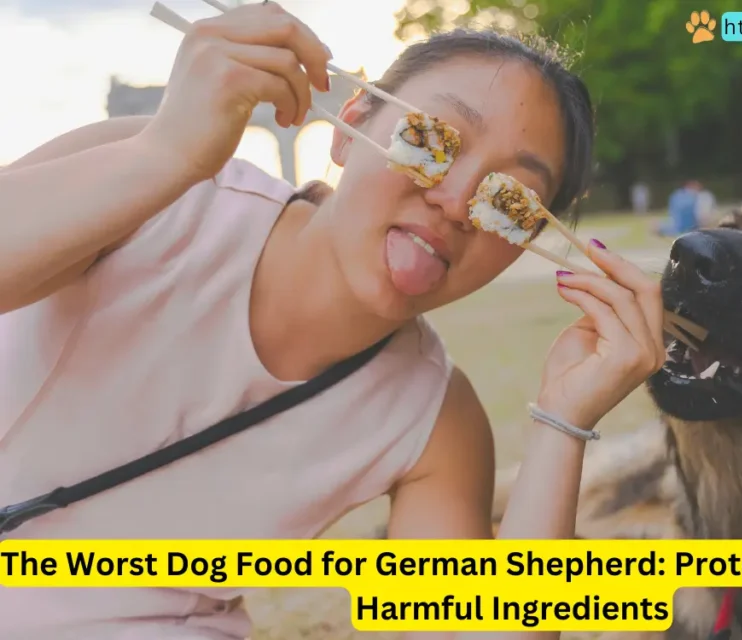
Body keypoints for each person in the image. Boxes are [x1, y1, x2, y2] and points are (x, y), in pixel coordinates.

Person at [0, 3, 666, 640]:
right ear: (353, 120)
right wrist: (162, 158)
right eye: (430, 139)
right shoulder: (155, 183)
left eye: (512, 203)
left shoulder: (433, 422)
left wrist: (563, 420)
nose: (457, 201)